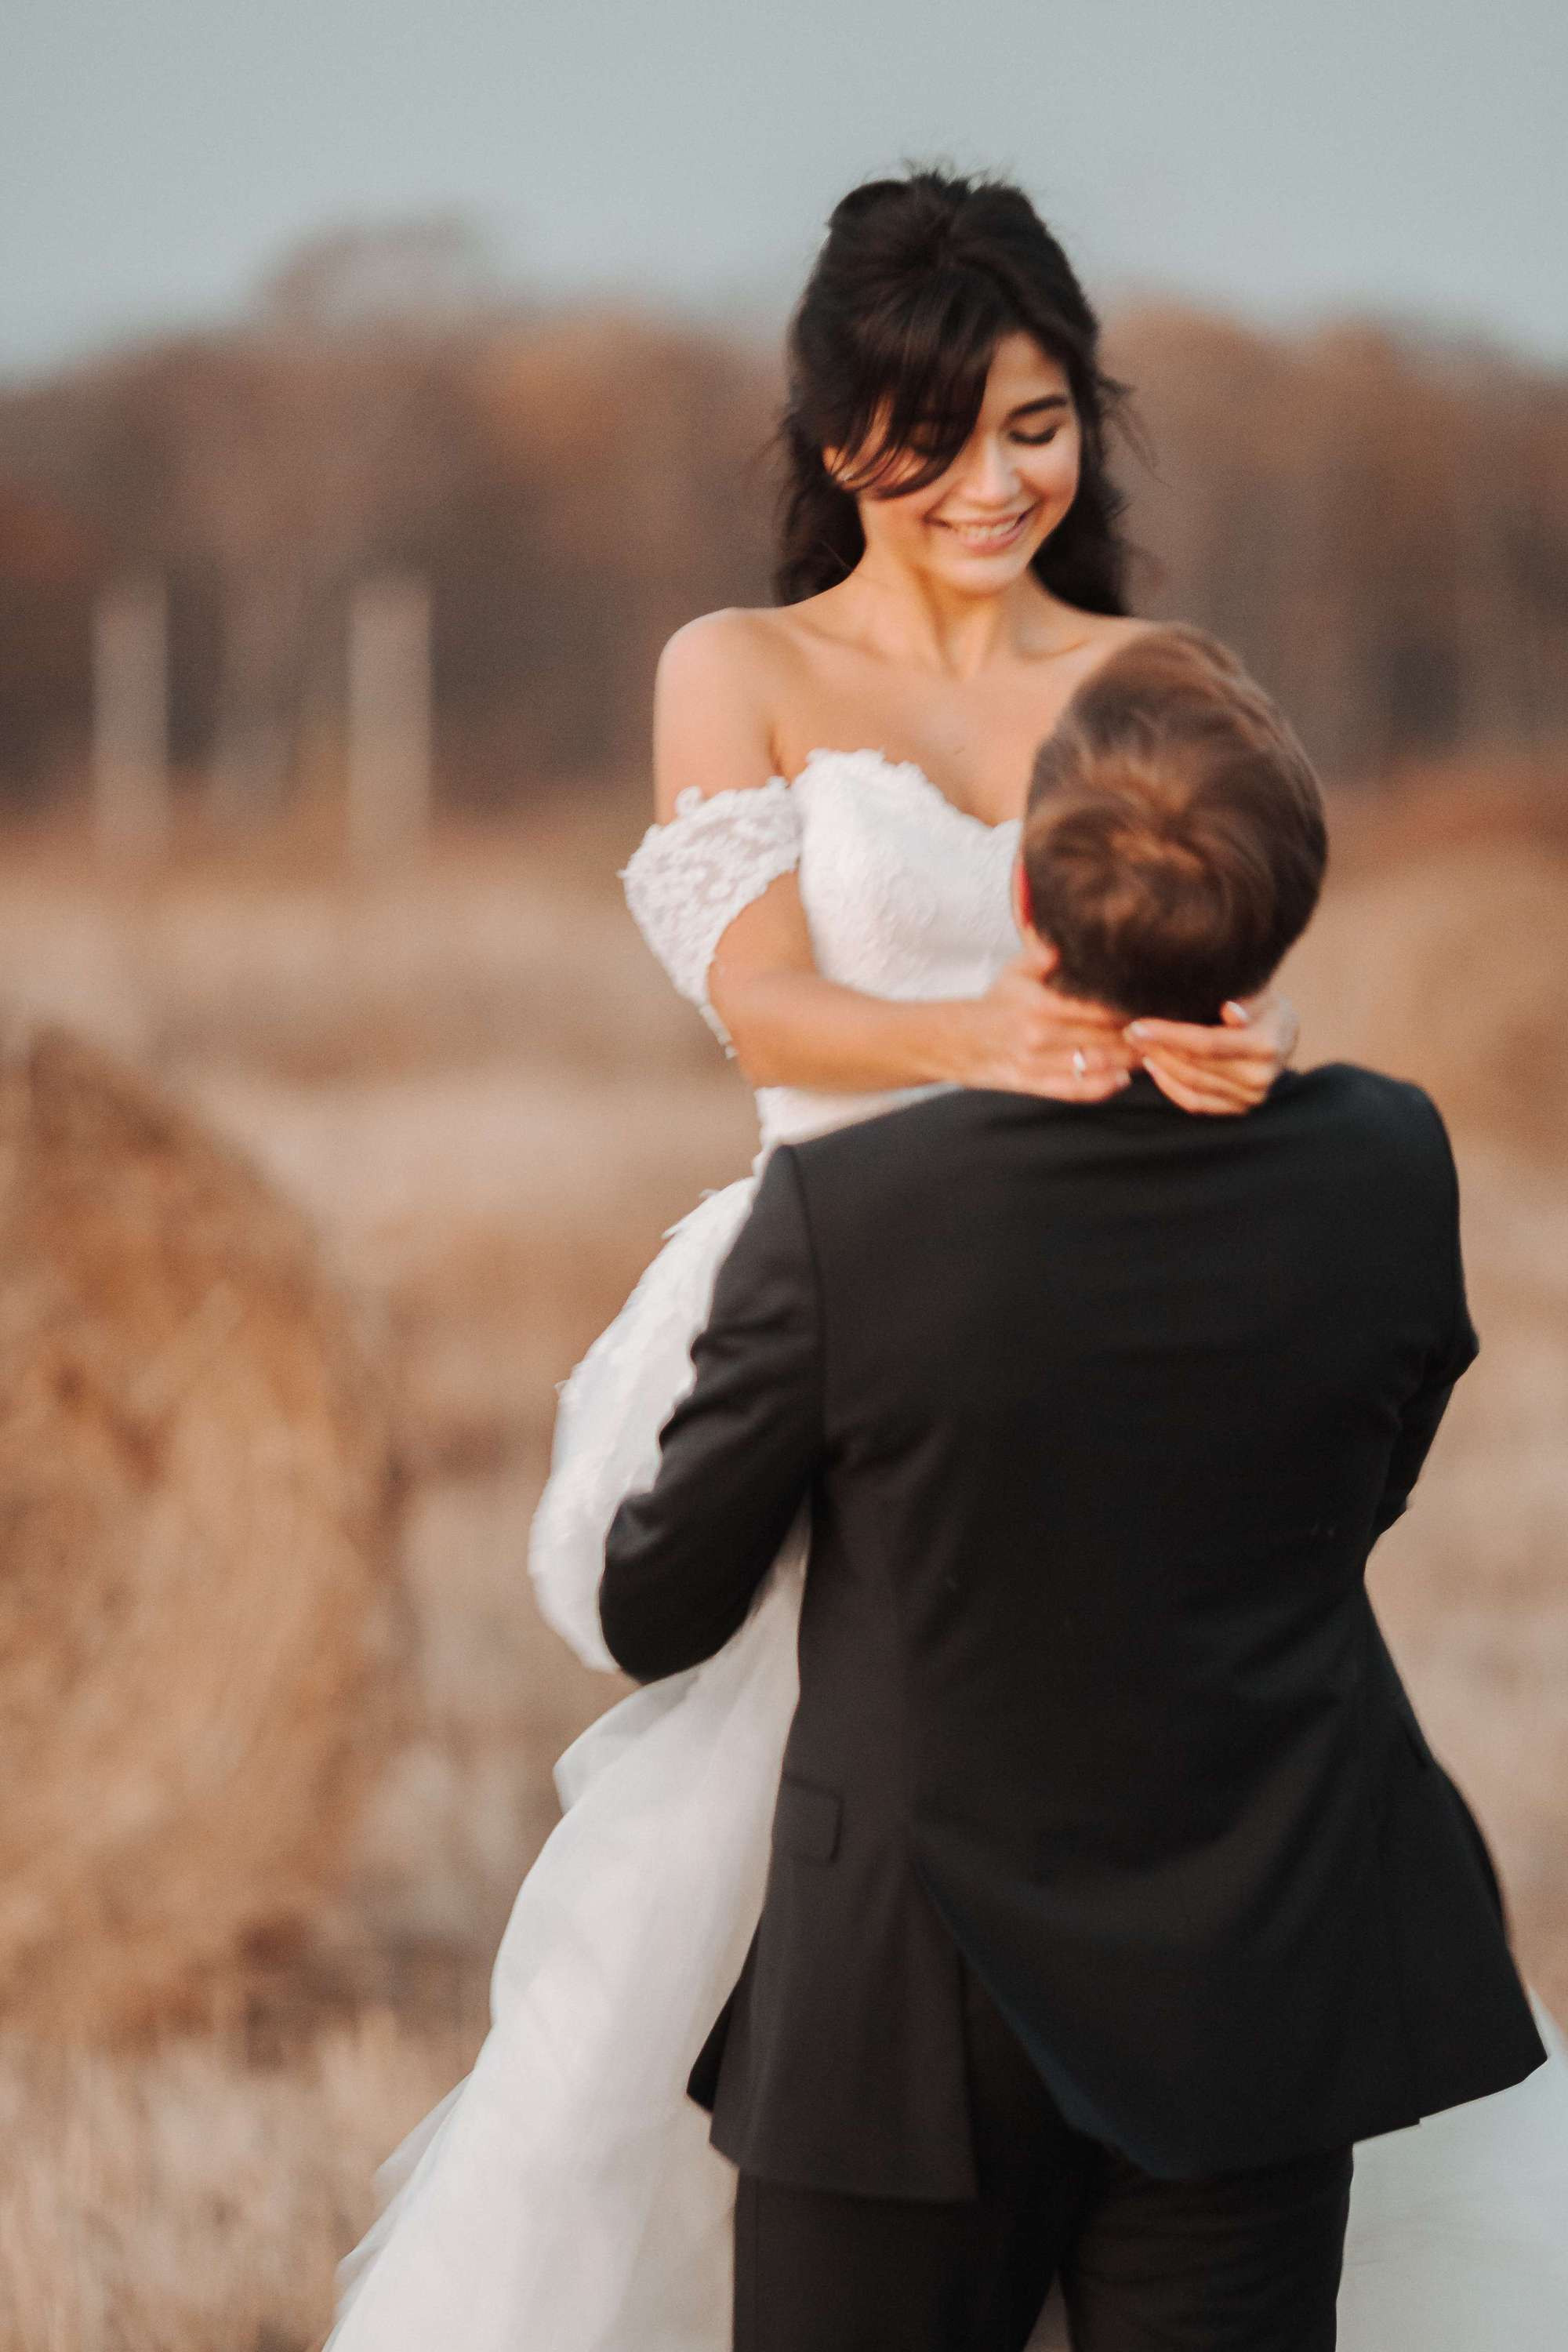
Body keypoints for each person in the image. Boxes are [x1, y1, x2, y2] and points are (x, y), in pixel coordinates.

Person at [325, 167, 1568, 2352]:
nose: (994, 481)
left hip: (1126, 1309)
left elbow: (1224, 932)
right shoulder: (741, 667)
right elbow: (763, 995)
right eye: (935, 431)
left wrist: (1237, 1043)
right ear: (834, 441)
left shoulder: (1159, 673)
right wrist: (979, 1045)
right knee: (761, 1901)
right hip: (861, 1295)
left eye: (1037, 424)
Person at [597, 622, 1546, 2350]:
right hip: (1260, 1963)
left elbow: (652, 1607)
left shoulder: (851, 1215)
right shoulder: (1392, 1160)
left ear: (1026, 917)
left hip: (905, 2007)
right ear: (1282, 915)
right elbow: (1371, 1473)